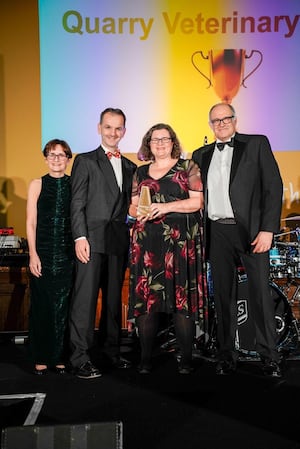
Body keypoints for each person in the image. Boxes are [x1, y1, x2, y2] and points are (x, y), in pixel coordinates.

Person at [192, 103, 283, 377]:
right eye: (215, 121)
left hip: (253, 232)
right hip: (216, 231)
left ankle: (269, 356)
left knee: (260, 296)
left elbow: (273, 186)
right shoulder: (200, 154)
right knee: (222, 296)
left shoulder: (256, 144)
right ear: (210, 125)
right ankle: (226, 355)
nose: (220, 124)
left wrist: (268, 230)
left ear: (235, 119)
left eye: (225, 119)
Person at [128, 123, 207, 374]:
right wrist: (137, 213)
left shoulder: (188, 167)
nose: (160, 143)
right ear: (148, 144)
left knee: (181, 300)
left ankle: (185, 360)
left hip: (180, 243)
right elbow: (131, 207)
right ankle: (145, 360)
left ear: (173, 142)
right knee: (147, 301)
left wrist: (165, 207)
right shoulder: (140, 172)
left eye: (165, 139)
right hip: (147, 243)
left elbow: (198, 202)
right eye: (154, 139)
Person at [69, 107, 137, 379]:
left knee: (112, 301)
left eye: (118, 128)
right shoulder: (85, 160)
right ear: (99, 128)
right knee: (84, 302)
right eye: (108, 127)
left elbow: (129, 208)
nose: (113, 132)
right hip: (91, 240)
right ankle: (79, 358)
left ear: (124, 131)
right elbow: (77, 203)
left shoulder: (131, 166)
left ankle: (111, 352)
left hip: (117, 241)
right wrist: (79, 236)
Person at [26, 138, 74, 375]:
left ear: (68, 158)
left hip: (67, 254)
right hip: (42, 253)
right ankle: (42, 357)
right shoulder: (37, 184)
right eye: (52, 154)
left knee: (64, 307)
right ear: (45, 158)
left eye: (61, 154)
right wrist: (33, 254)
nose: (56, 159)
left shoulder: (74, 184)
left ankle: (60, 357)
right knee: (42, 306)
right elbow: (31, 222)